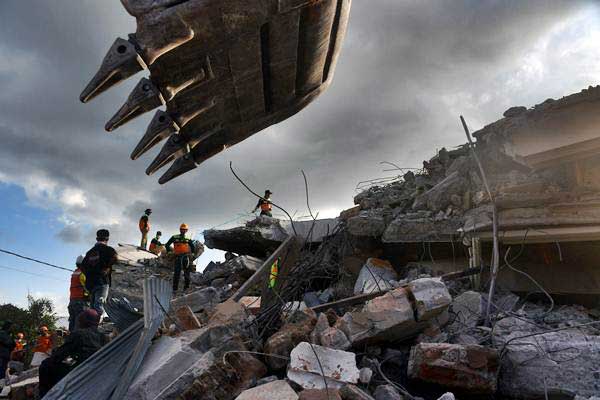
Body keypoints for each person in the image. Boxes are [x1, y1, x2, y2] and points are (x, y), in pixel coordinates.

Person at [38, 309, 109, 397]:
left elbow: (59, 355)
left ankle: (48, 396)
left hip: (80, 370)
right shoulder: (104, 337)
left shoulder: (79, 334)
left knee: (45, 365)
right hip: (97, 370)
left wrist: (54, 352)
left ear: (84, 320)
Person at [81, 229, 117, 318]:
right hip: (102, 282)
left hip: (91, 284)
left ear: (97, 238)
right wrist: (107, 268)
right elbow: (115, 258)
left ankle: (91, 327)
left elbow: (83, 267)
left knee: (92, 308)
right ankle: (96, 328)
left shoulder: (89, 252)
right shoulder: (109, 250)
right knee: (99, 306)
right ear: (107, 239)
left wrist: (90, 275)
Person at [165, 224, 196, 293]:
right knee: (177, 273)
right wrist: (169, 252)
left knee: (187, 273)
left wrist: (193, 253)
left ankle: (186, 288)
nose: (183, 231)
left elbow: (192, 246)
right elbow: (167, 245)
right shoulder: (174, 237)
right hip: (177, 257)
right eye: (182, 229)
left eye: (184, 229)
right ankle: (175, 289)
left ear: (186, 230)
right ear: (180, 230)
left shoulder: (188, 239)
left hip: (186, 257)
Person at [68, 255, 90, 332]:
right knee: (81, 324)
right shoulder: (83, 274)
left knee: (73, 322)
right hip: (81, 301)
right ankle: (78, 341)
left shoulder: (75, 273)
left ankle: (71, 340)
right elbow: (88, 287)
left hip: (72, 301)